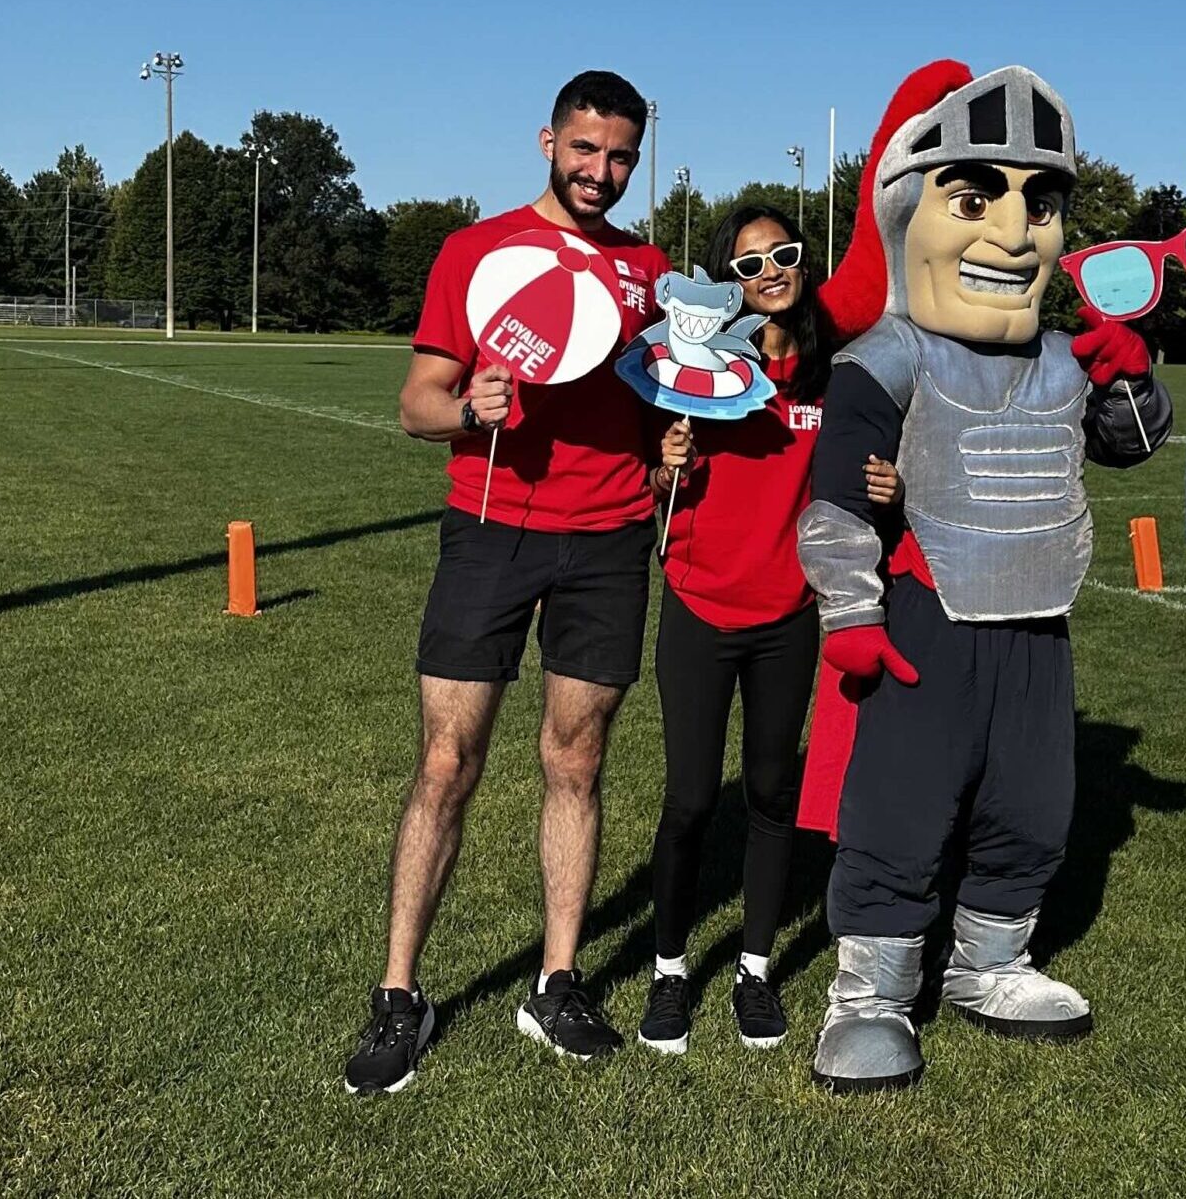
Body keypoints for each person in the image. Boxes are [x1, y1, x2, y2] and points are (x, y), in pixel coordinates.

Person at [794, 61, 1172, 1094]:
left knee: (1033, 802)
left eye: (1038, 202)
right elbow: (830, 502)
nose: (1014, 229)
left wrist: (1128, 372)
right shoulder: (886, 355)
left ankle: (988, 962)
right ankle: (868, 993)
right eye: (975, 198)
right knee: (902, 807)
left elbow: (1132, 442)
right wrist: (851, 612)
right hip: (929, 616)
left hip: (1037, 619)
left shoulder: (1059, 358)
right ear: (910, 211)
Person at [343, 69, 668, 1094]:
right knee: (447, 761)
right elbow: (414, 407)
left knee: (575, 761)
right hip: (490, 532)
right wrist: (469, 408)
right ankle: (400, 993)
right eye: (584, 149)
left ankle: (556, 981)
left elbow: (660, 397)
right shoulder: (474, 252)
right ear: (546, 141)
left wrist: (672, 446)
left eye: (619, 155)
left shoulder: (647, 270)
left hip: (609, 539)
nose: (600, 172)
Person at [633, 205, 899, 1055]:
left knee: (772, 795)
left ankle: (753, 968)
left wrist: (890, 489)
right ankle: (671, 969)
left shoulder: (833, 378)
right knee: (689, 800)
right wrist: (663, 461)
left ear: (802, 263)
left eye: (782, 255)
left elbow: (867, 482)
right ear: (726, 283)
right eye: (748, 265)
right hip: (699, 606)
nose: (769, 273)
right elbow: (648, 490)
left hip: (789, 618)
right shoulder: (696, 375)